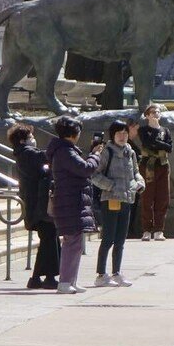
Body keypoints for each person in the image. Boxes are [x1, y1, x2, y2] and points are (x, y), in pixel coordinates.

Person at [46, 117, 102, 294]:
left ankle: (71, 279)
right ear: (73, 133)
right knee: (71, 242)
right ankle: (65, 281)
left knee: (76, 242)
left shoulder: (65, 150)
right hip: (69, 202)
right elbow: (85, 168)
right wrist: (95, 155)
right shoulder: (65, 152)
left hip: (71, 201)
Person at [91, 121, 144, 286]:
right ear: (112, 135)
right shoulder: (107, 152)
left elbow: (135, 171)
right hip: (111, 199)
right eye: (119, 133)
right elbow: (94, 174)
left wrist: (139, 183)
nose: (122, 137)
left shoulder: (130, 151)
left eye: (125, 133)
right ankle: (101, 274)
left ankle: (116, 272)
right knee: (108, 238)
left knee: (121, 239)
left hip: (127, 199)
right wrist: (111, 186)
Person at [9, 124, 58, 290]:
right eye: (30, 137)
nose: (33, 140)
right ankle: (45, 277)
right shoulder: (27, 154)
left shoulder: (24, 154)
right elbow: (45, 156)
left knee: (48, 239)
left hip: (37, 204)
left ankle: (38, 277)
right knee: (49, 239)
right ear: (23, 140)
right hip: (38, 205)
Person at [137, 105, 174, 241]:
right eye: (153, 112)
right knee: (147, 197)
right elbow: (147, 142)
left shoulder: (166, 130)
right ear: (147, 115)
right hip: (148, 165)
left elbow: (169, 147)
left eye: (158, 112)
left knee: (163, 197)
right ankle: (146, 229)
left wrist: (157, 144)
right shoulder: (143, 130)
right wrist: (160, 144)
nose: (156, 114)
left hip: (163, 164)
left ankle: (159, 229)